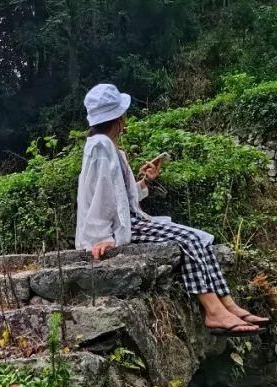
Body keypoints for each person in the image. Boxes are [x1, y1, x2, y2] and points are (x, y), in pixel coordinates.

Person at [75, 83, 267, 335]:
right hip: (122, 227)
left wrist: (146, 182)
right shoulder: (100, 146)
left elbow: (120, 195)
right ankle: (213, 311)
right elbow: (98, 193)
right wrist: (100, 237)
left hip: (132, 219)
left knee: (199, 238)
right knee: (187, 239)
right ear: (119, 117)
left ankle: (227, 304)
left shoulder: (114, 150)